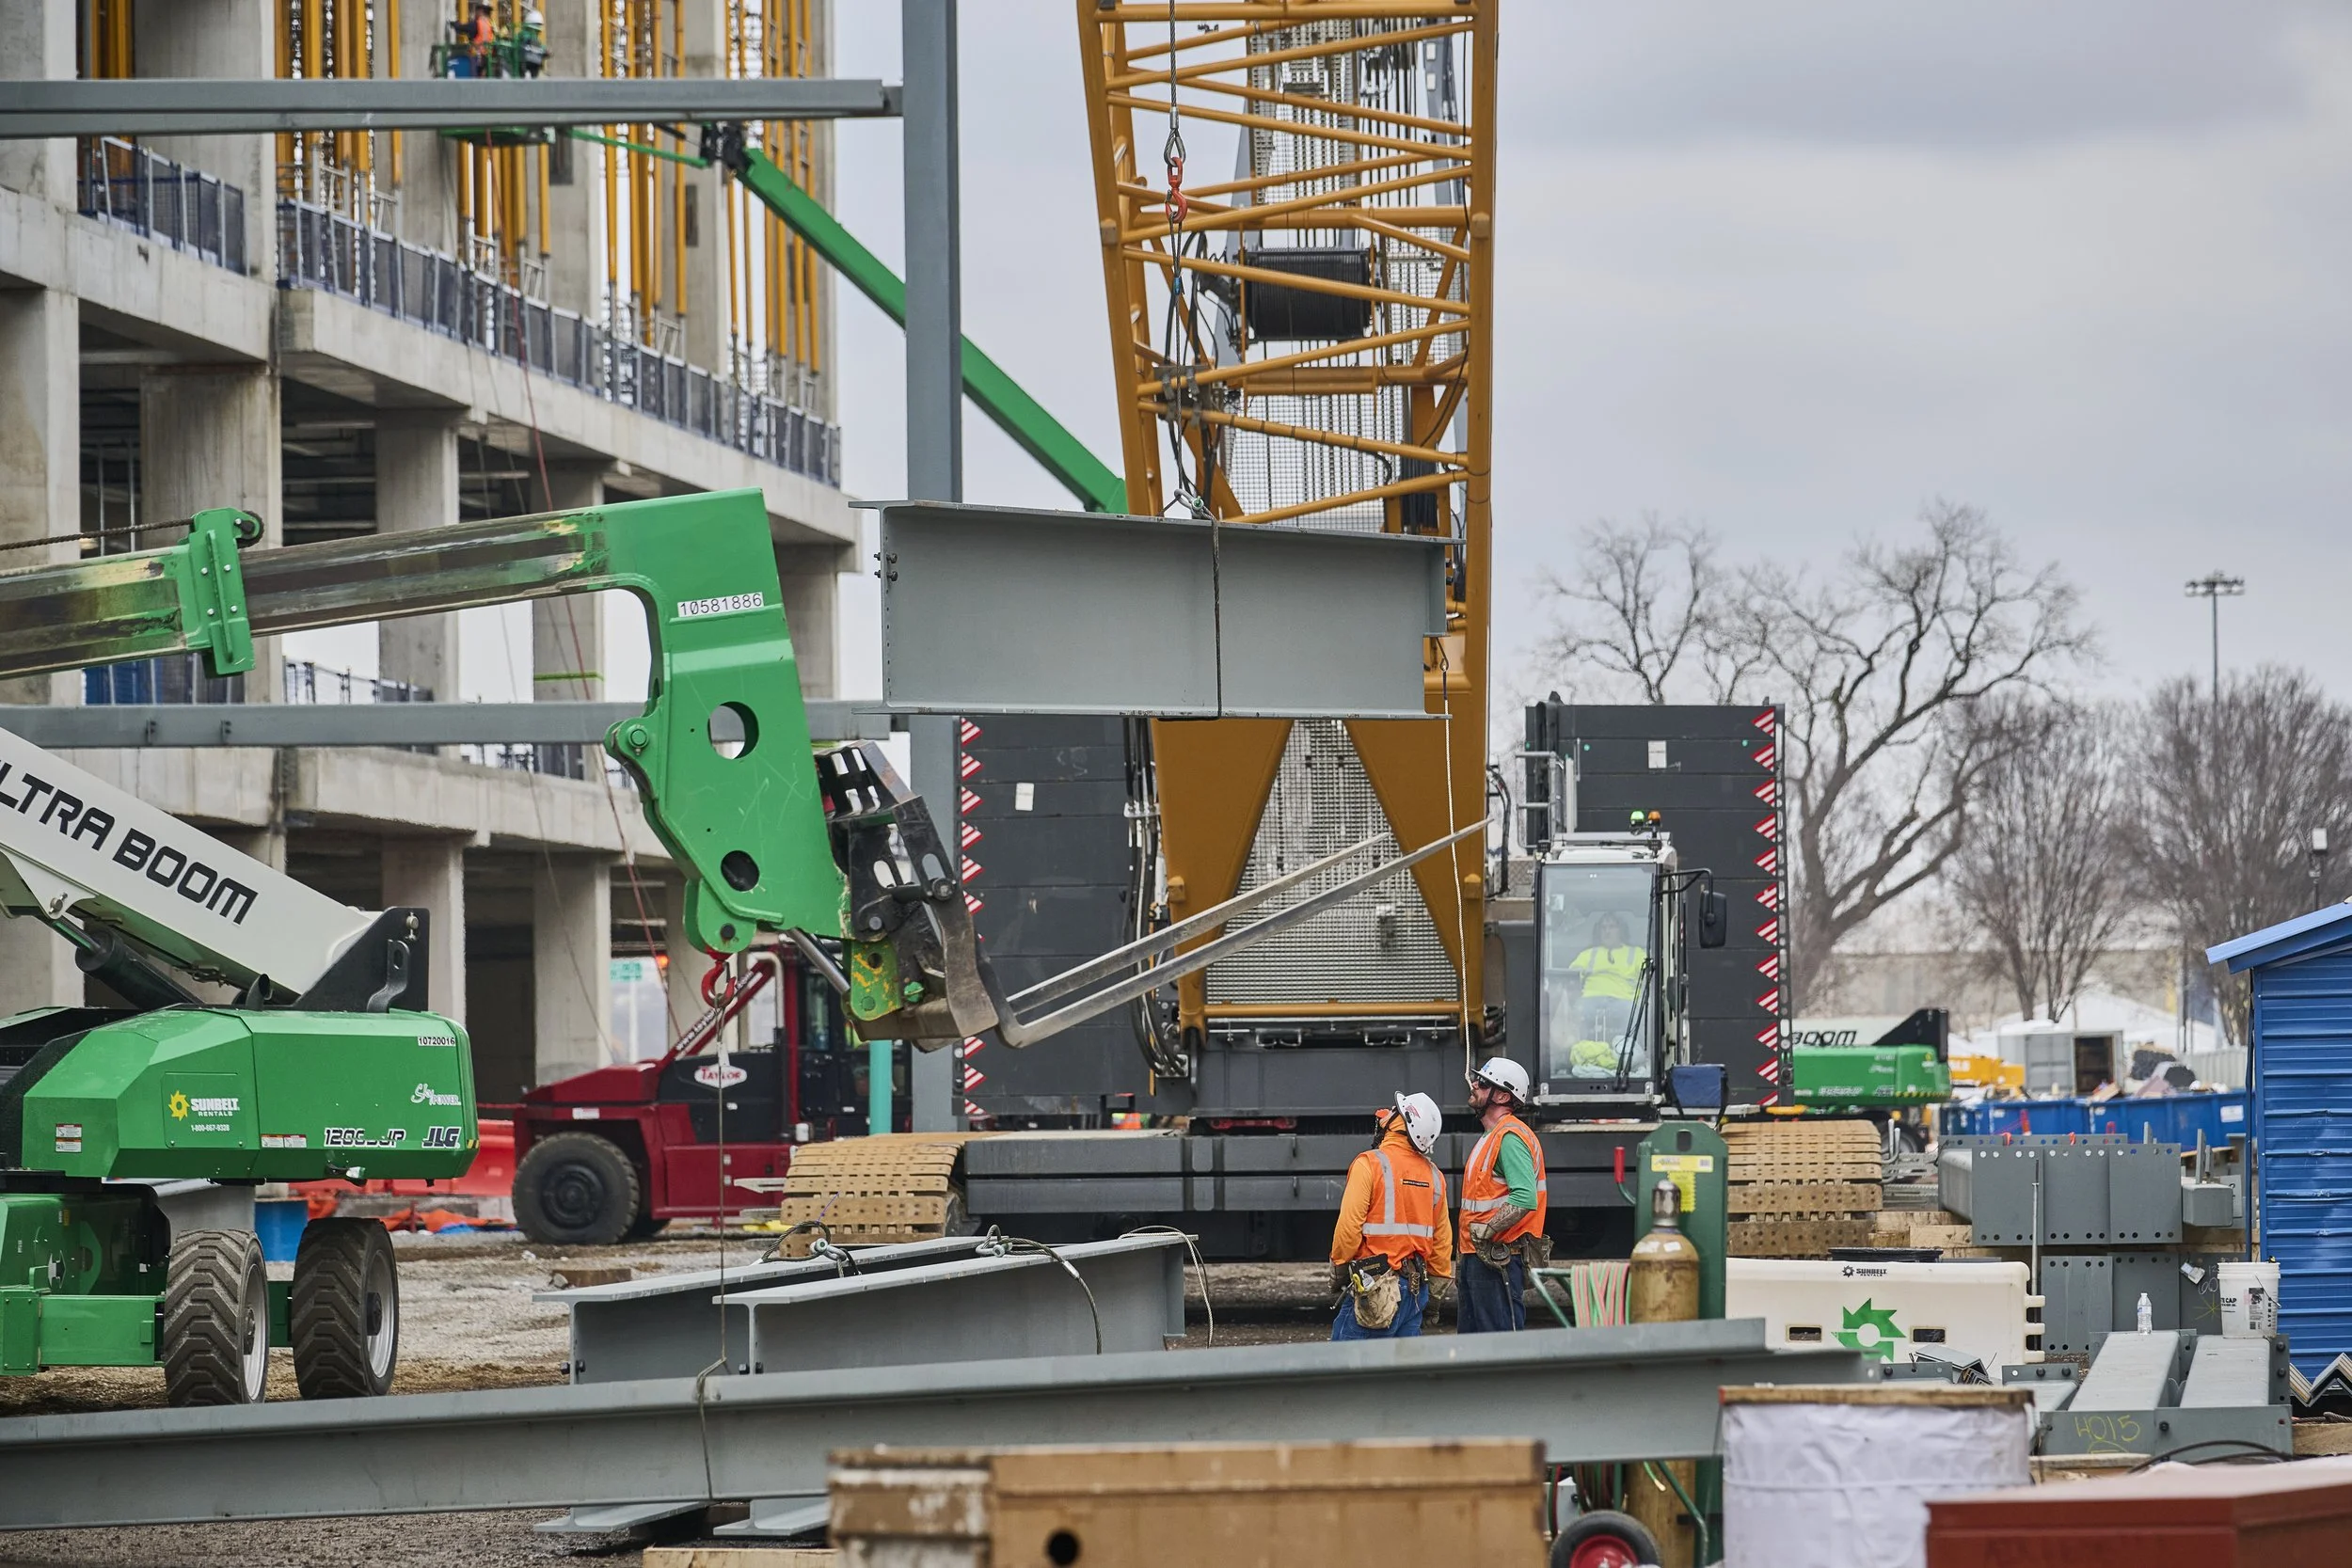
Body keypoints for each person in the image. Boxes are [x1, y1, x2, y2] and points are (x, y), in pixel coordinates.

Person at [1328, 1092, 1451, 1340]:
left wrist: (1339, 1271)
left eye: (1394, 1112)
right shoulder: (1435, 1176)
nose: (1386, 1115)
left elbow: (1349, 1227)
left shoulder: (1369, 1164)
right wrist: (1435, 1296)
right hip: (1416, 1290)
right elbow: (1441, 1242)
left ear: (1401, 1124)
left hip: (1376, 1288)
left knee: (1346, 1372)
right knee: (1402, 1375)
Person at [1455, 1056, 1547, 1333]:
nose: (1474, 1084)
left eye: (1483, 1082)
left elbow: (1524, 1197)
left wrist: (1487, 1230)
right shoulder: (1490, 1137)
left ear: (1503, 1095)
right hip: (1480, 1258)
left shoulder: (1510, 1136)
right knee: (1473, 1351)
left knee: (1499, 1349)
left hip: (1498, 1260)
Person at [1560, 911, 1646, 1077]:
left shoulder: (1636, 954)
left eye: (1612, 927)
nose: (1607, 931)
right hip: (1591, 999)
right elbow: (1569, 977)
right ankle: (1580, 1056)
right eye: (1603, 927)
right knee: (1578, 1011)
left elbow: (1649, 978)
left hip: (1624, 1000)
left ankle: (1628, 1059)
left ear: (1621, 930)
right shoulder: (1588, 954)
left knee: (1634, 1013)